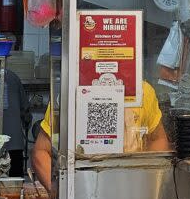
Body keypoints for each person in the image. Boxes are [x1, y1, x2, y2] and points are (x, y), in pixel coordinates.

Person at [32, 80, 169, 192]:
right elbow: (41, 151)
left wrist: (150, 184)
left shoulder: (143, 91)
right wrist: (59, 191)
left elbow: (158, 139)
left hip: (133, 189)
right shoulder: (70, 92)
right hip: (81, 190)